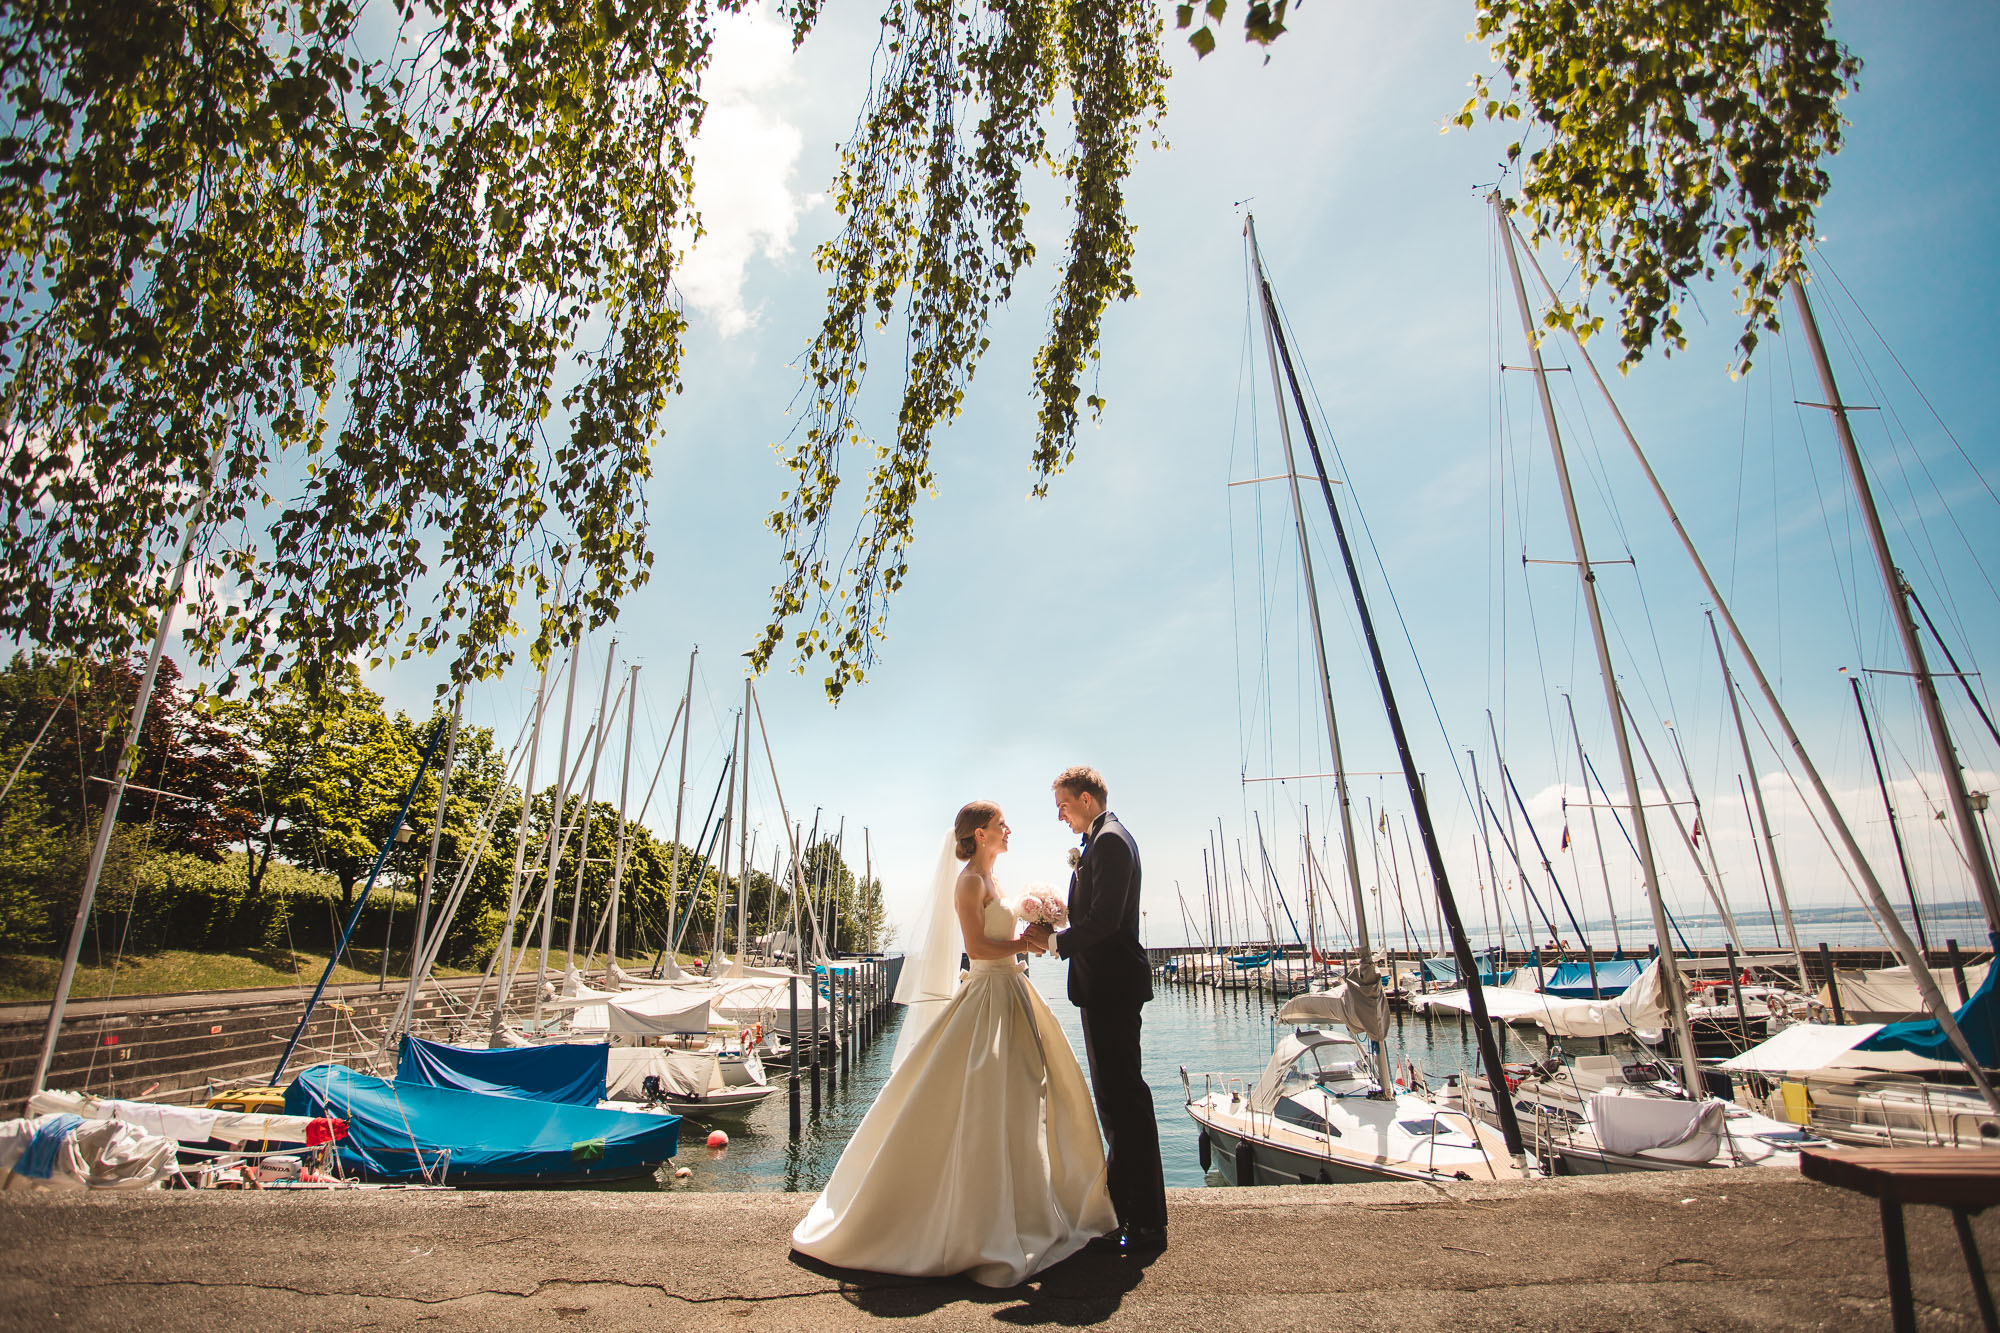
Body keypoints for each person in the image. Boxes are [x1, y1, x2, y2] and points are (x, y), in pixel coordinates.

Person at [790, 801, 1116, 1287]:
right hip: (987, 994)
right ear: (980, 835)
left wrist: (1035, 932)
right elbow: (980, 948)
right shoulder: (969, 881)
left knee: (1025, 1101)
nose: (1009, 829)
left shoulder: (995, 880)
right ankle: (972, 1223)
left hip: (1012, 993)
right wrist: (1028, 944)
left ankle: (1023, 1207)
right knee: (984, 1103)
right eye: (1001, 824)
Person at [1025, 766, 1169, 1256]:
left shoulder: (1109, 841)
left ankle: (1144, 1222)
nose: (1060, 815)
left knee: (1124, 1101)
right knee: (1116, 1101)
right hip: (1103, 986)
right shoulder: (1100, 840)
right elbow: (1095, 913)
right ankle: (1127, 1211)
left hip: (1112, 986)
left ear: (1086, 799)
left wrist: (1054, 940)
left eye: (1063, 805)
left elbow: (1106, 922)